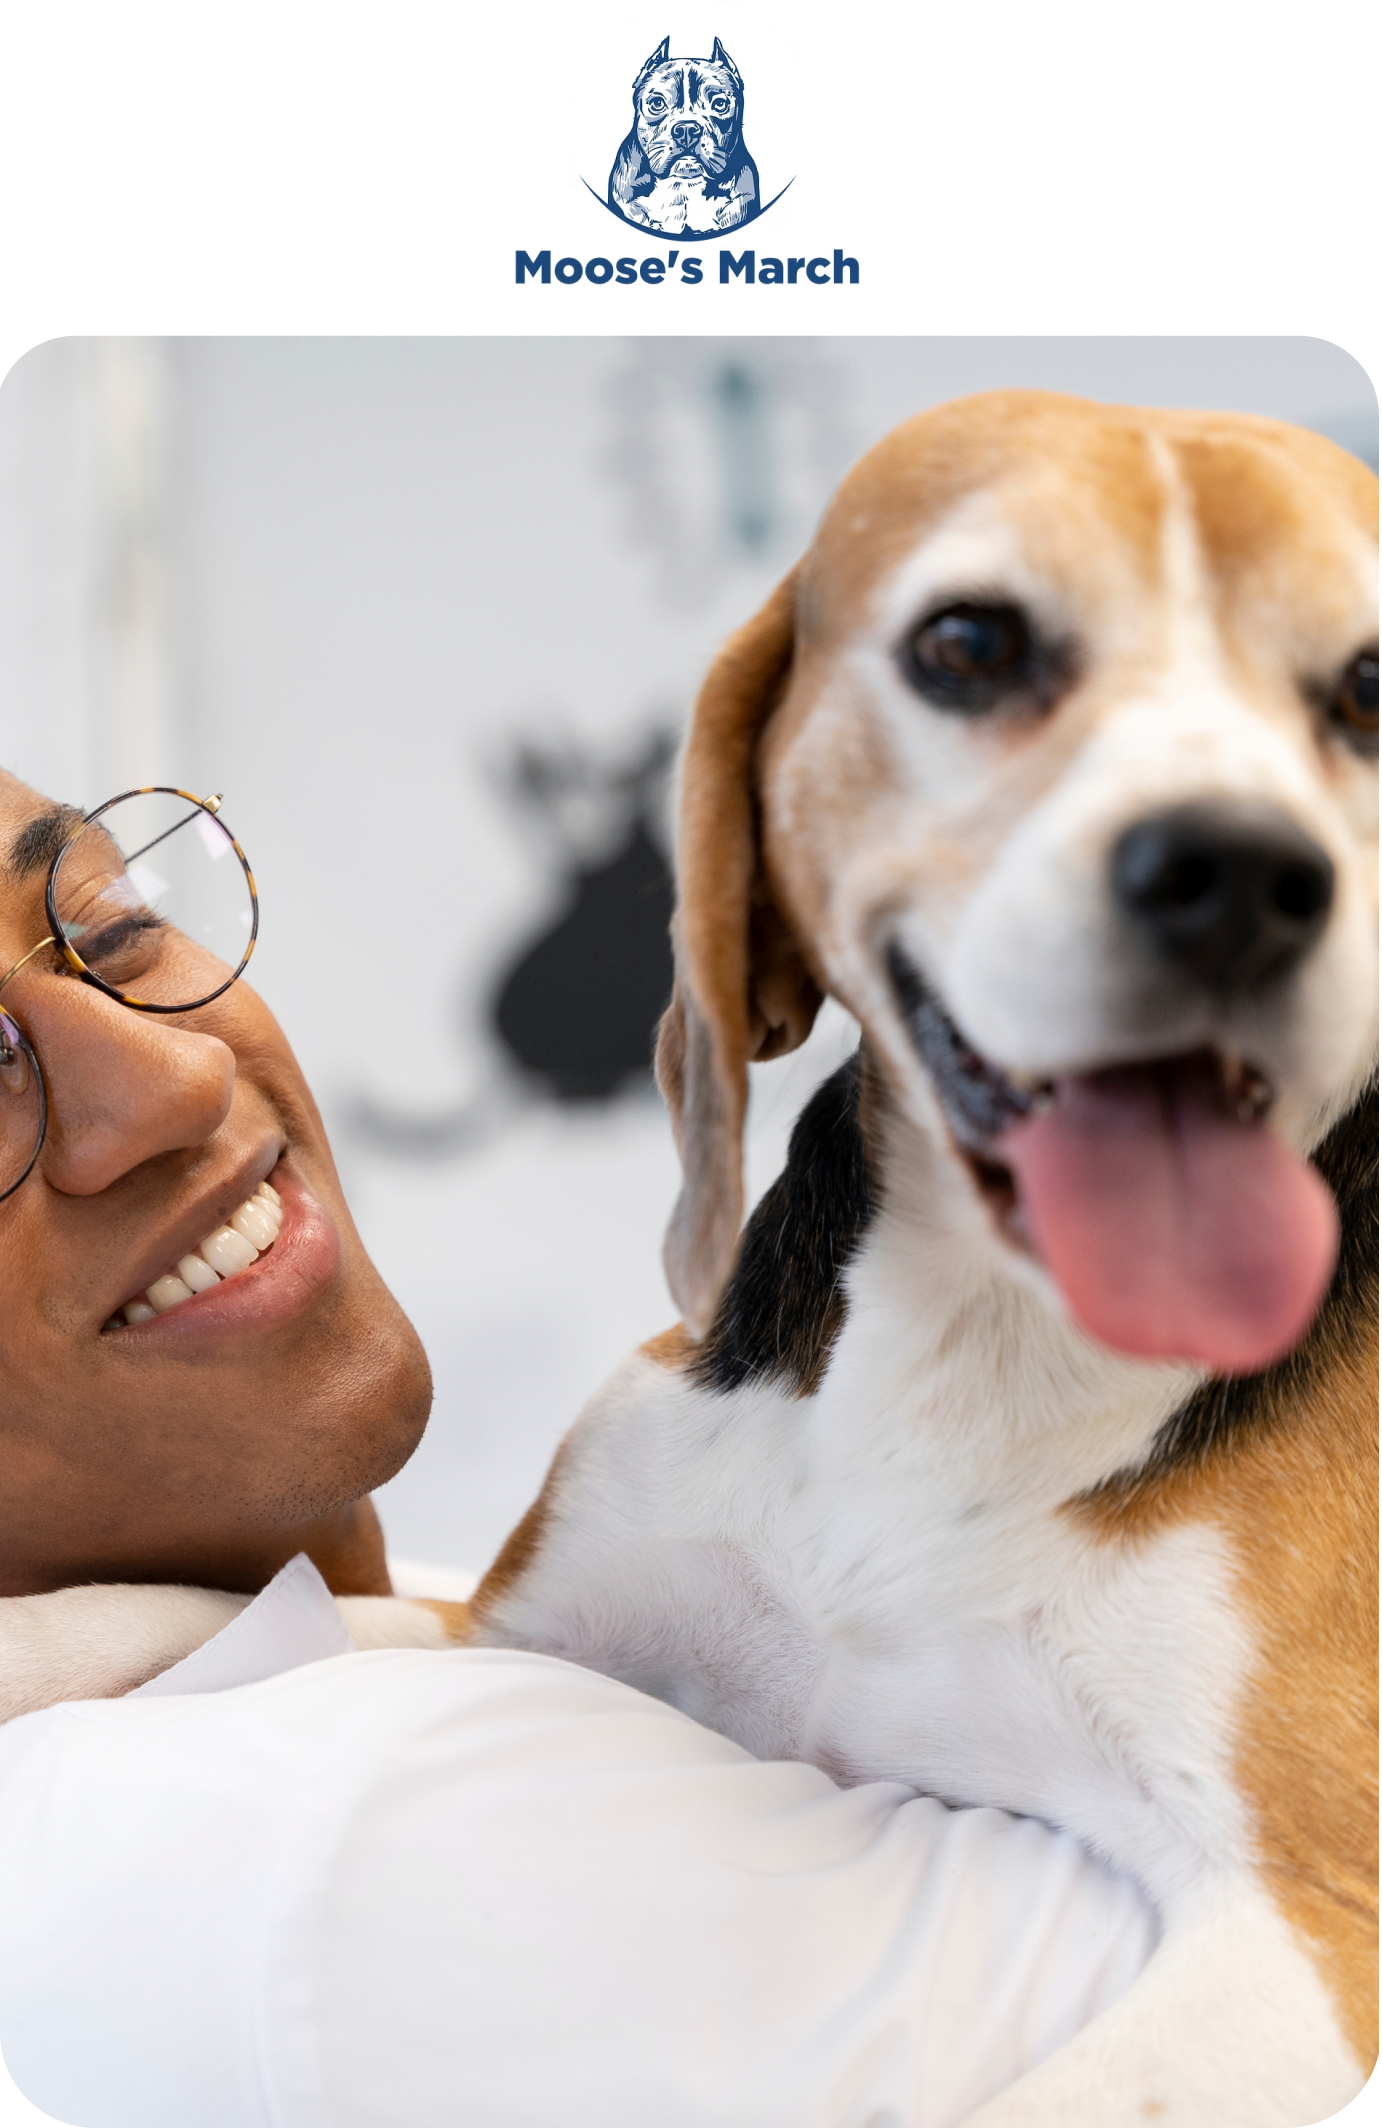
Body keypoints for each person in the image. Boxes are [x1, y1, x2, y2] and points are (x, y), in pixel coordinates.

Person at [0, 767, 1154, 2127]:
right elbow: (1311, 1957)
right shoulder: (322, 1835)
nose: (182, 1073)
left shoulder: (305, 1670)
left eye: (114, 922)